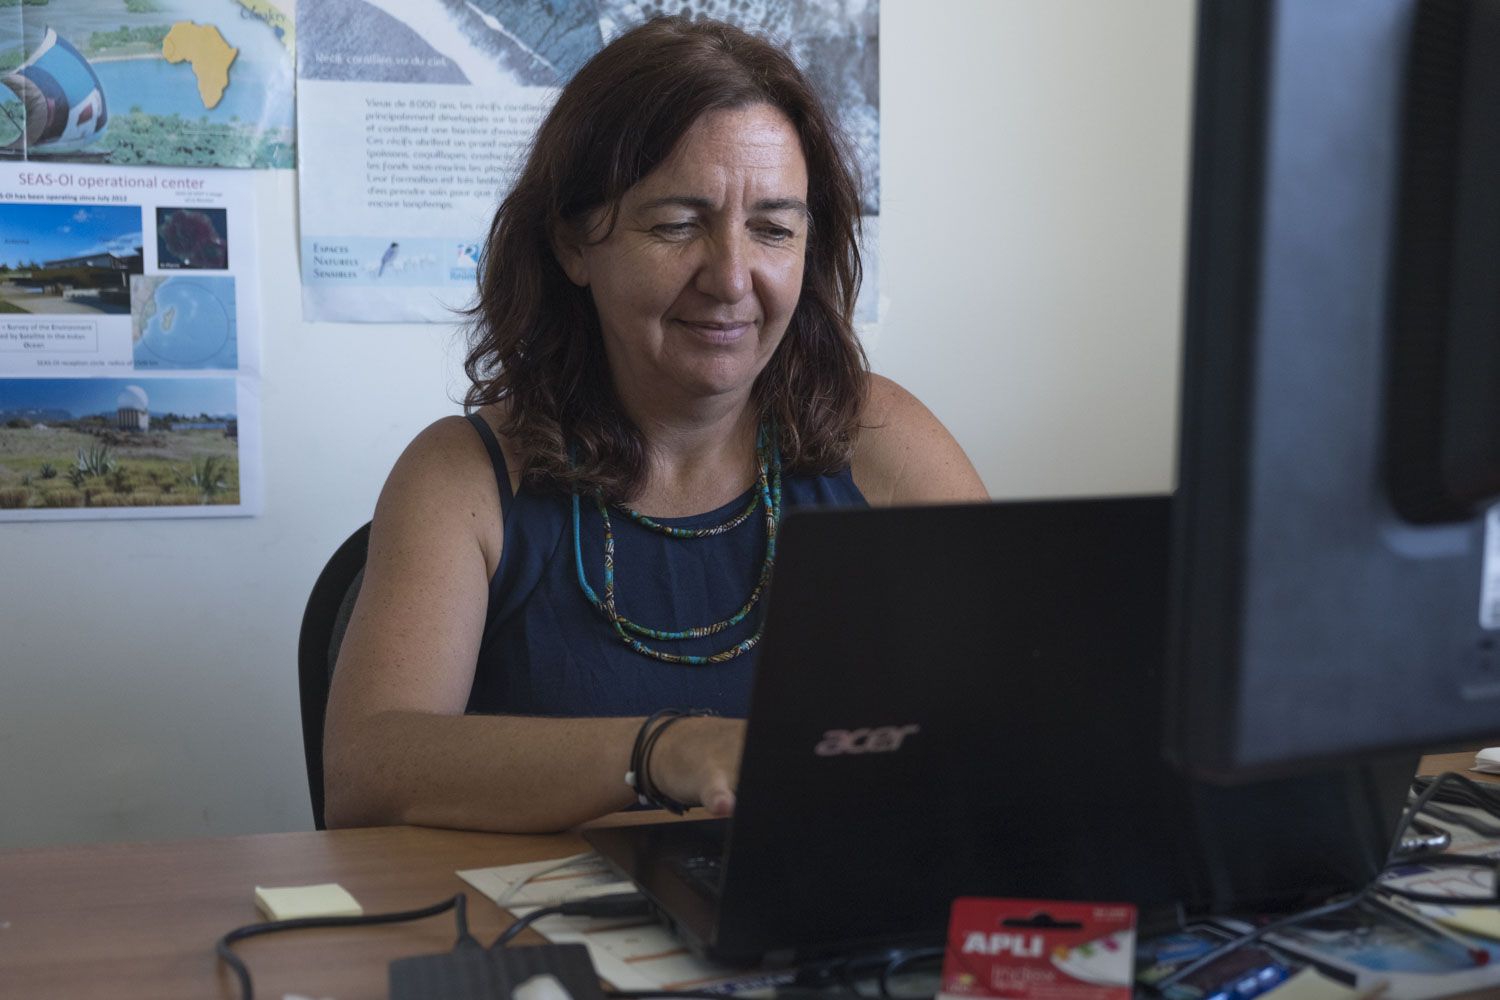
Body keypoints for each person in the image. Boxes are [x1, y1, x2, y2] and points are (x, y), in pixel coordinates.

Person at [322, 16, 986, 834]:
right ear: (573, 241)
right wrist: (661, 752)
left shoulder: (884, 440)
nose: (733, 278)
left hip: (821, 936)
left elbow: (1025, 708)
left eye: (774, 228)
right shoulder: (461, 476)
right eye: (677, 224)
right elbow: (367, 772)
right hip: (546, 944)